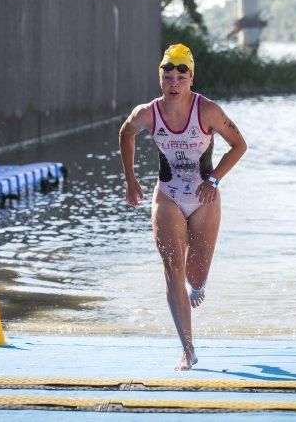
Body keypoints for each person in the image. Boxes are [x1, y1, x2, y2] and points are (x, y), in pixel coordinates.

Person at [118, 44, 247, 370]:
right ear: (160, 78)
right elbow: (125, 133)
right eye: (167, 76)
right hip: (168, 196)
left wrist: (214, 179)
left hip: (204, 198)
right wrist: (131, 179)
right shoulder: (147, 112)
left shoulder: (208, 111)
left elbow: (239, 145)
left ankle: (198, 285)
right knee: (173, 270)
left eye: (180, 76)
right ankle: (188, 350)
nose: (173, 83)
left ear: (191, 78)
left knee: (195, 274)